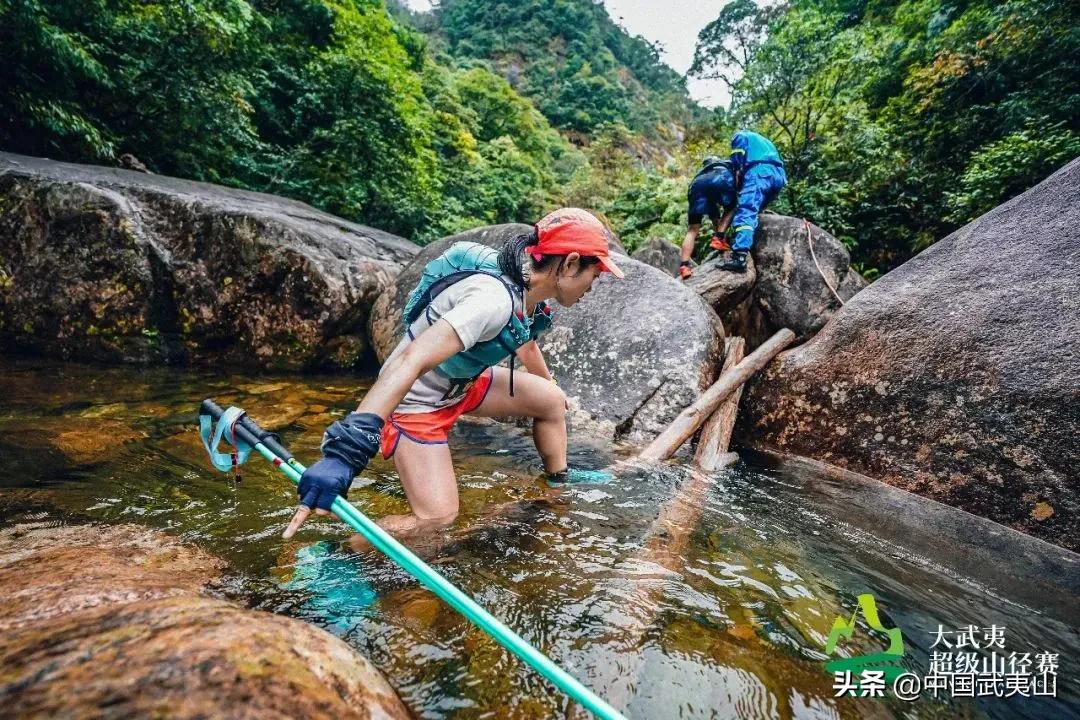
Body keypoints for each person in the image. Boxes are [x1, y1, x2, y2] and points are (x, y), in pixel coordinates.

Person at [281, 208, 624, 544]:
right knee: (435, 520)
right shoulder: (492, 300)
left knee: (550, 402)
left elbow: (526, 345)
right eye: (595, 275)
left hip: (461, 384)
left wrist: (550, 386)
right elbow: (409, 360)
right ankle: (337, 556)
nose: (593, 285)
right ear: (571, 263)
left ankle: (558, 481)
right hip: (418, 404)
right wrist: (344, 454)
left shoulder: (527, 296)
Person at [723, 129, 787, 273]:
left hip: (759, 172)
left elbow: (737, 163)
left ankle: (739, 256)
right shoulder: (765, 141)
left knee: (746, 210)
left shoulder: (739, 135)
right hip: (778, 176)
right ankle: (747, 240)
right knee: (756, 209)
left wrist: (737, 185)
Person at [679, 155, 738, 280]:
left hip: (696, 186)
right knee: (733, 206)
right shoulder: (724, 165)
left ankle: (684, 266)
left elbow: (714, 217)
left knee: (692, 229)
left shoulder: (701, 173)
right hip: (720, 179)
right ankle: (719, 238)